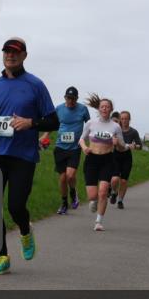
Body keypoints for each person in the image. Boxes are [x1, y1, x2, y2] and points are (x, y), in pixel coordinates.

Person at [0, 38, 58, 275]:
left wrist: (31, 122)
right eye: (7, 52)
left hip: (22, 155)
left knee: (15, 206)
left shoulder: (35, 85)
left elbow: (53, 121)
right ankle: (2, 256)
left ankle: (24, 230)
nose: (10, 56)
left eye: (15, 52)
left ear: (24, 56)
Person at [79, 94, 130, 232]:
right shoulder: (90, 123)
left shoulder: (115, 127)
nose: (105, 109)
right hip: (92, 160)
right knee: (92, 195)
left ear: (111, 109)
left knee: (102, 192)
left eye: (107, 107)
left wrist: (118, 142)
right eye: (102, 106)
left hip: (107, 160)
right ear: (99, 109)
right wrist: (85, 148)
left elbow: (122, 147)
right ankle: (93, 201)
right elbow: (81, 139)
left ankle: (99, 221)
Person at [43, 86, 91, 215]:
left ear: (77, 99)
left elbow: (90, 125)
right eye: (68, 98)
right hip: (60, 147)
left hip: (75, 147)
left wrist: (89, 141)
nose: (70, 101)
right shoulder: (58, 109)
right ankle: (64, 203)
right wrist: (46, 135)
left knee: (70, 175)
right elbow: (53, 124)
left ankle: (73, 192)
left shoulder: (83, 109)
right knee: (63, 178)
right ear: (65, 98)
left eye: (73, 99)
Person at [113, 110, 142, 209]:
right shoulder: (116, 129)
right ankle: (113, 192)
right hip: (116, 156)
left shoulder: (133, 132)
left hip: (126, 157)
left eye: (126, 119)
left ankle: (120, 201)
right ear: (120, 120)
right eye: (122, 119)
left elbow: (139, 146)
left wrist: (135, 146)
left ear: (129, 120)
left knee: (124, 181)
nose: (124, 121)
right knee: (115, 179)